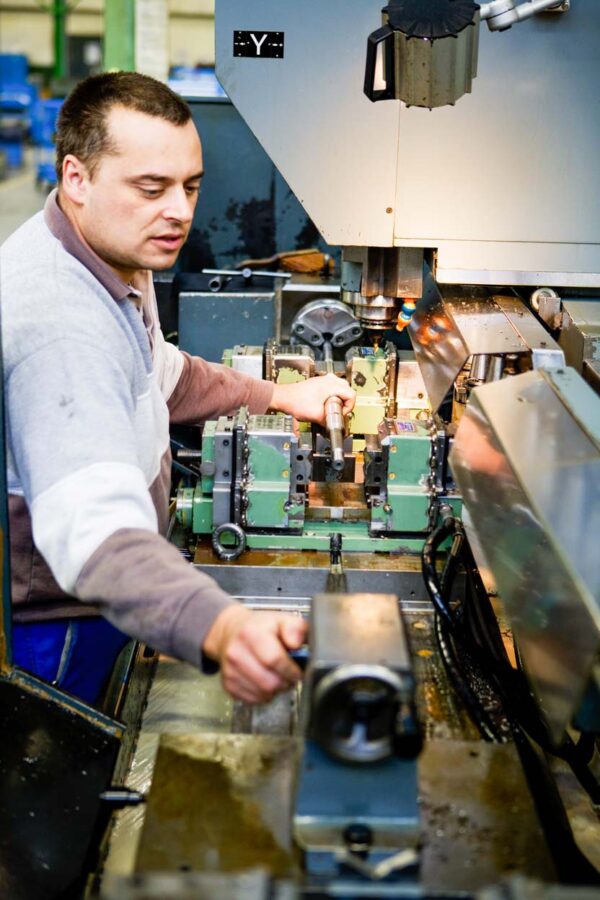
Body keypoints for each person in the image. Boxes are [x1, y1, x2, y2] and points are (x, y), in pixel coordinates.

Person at [0, 71, 355, 707]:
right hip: (58, 626)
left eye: (190, 187)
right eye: (151, 188)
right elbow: (96, 534)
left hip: (108, 598)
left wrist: (276, 396)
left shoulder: (112, 259)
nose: (181, 212)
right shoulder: (60, 326)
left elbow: (161, 374)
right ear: (76, 178)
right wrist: (221, 627)